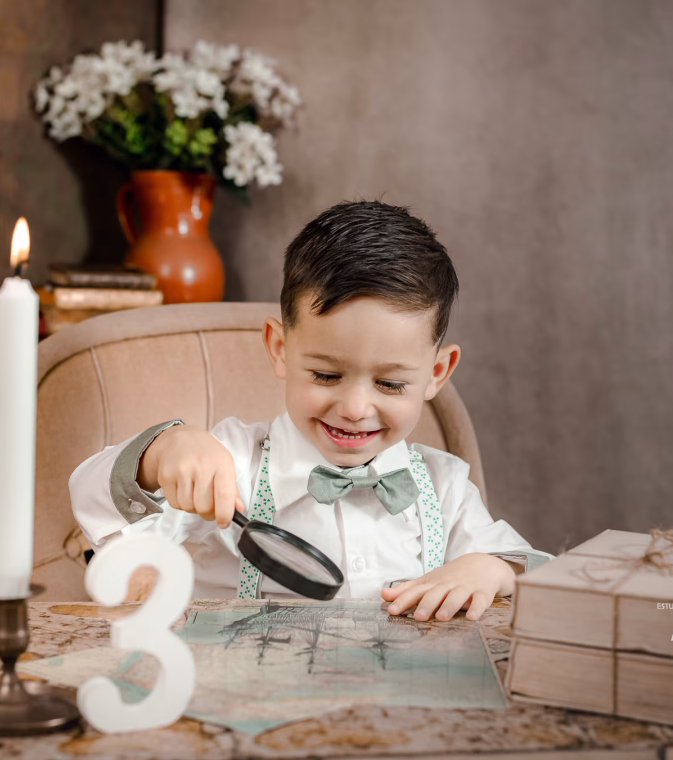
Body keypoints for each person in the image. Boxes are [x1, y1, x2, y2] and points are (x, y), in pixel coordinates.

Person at [70, 200, 552, 621]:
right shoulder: (231, 463)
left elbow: (526, 563)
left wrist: (491, 568)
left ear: (436, 374)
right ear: (279, 349)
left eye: (390, 383)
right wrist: (161, 450)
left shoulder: (444, 487)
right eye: (326, 375)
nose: (355, 408)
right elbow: (93, 499)